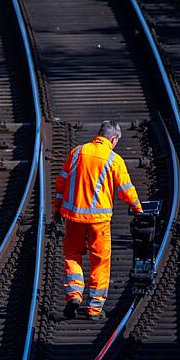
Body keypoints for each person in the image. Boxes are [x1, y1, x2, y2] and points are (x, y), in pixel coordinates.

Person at [54, 121, 142, 321]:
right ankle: (94, 310)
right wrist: (138, 209)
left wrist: (57, 209)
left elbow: (61, 181)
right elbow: (126, 190)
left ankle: (74, 296)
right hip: (99, 221)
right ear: (113, 139)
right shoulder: (114, 159)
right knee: (100, 261)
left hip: (73, 216)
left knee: (72, 254)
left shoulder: (76, 152)